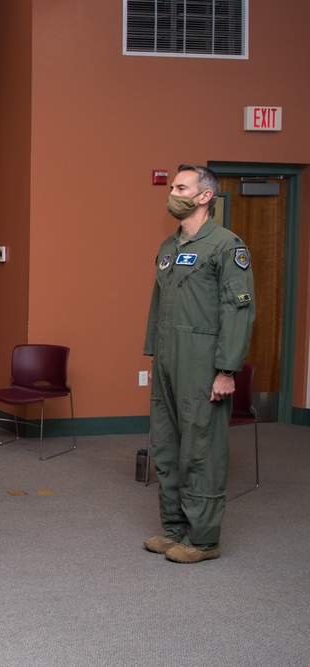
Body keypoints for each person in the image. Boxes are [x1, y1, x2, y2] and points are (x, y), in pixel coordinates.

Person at [144, 164, 255, 563]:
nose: (172, 192)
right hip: (168, 361)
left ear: (205, 196)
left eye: (181, 187)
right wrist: (154, 354)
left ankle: (204, 539)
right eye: (172, 186)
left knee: (201, 449)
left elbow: (238, 310)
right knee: (168, 446)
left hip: (204, 362)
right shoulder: (168, 248)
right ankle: (175, 529)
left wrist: (227, 371)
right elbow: (159, 306)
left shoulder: (227, 246)